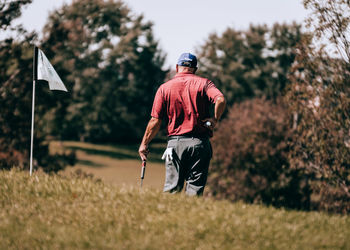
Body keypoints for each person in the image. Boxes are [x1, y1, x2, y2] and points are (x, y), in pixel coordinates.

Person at [138, 52, 226, 196]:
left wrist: (144, 144)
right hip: (200, 144)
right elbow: (220, 100)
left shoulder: (164, 88)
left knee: (172, 190)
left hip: (175, 145)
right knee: (194, 191)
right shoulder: (204, 83)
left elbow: (155, 120)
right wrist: (215, 119)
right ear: (195, 69)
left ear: (177, 67)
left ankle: (169, 217)